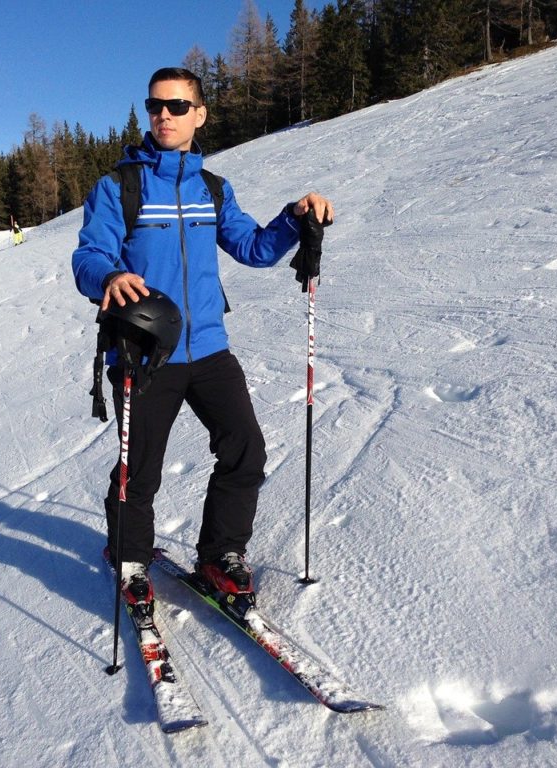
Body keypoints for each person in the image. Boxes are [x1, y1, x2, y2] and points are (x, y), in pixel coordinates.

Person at [72, 66, 333, 604]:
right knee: (140, 470)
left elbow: (254, 248)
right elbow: (89, 256)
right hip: (145, 354)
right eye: (155, 106)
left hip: (209, 347)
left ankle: (220, 553)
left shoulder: (212, 189)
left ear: (199, 114)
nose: (163, 115)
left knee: (245, 451)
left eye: (176, 106)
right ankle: (129, 558)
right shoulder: (119, 187)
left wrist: (295, 217)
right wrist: (110, 276)